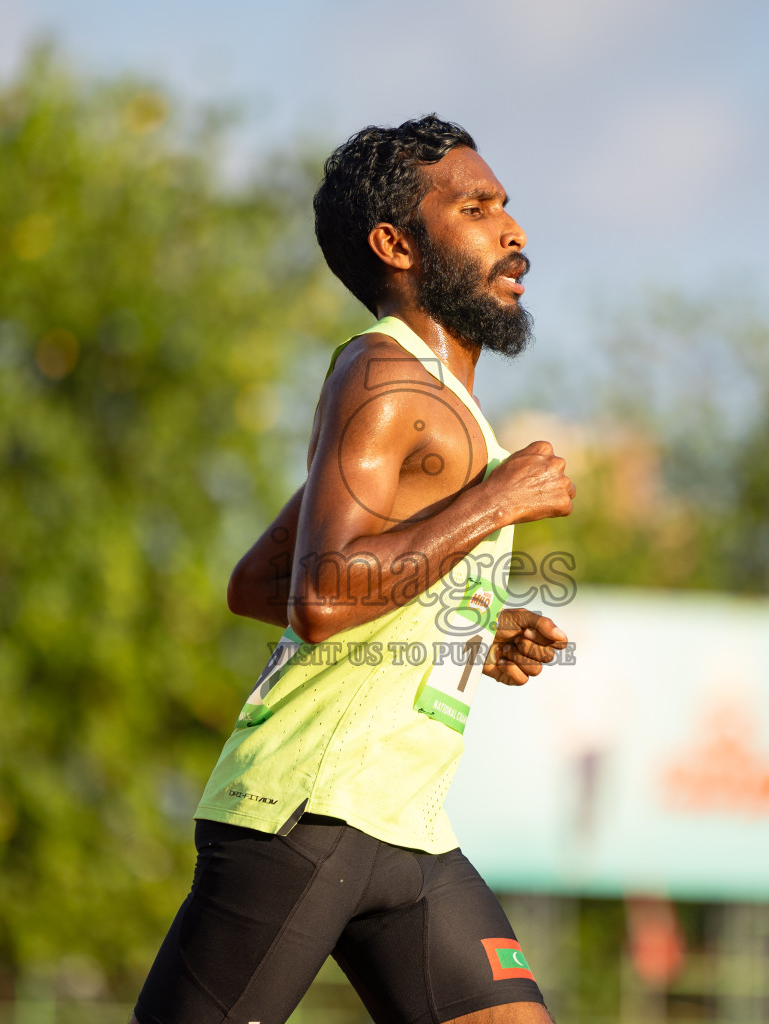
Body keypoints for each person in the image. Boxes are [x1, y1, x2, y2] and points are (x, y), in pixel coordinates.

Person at [131, 115, 575, 1024]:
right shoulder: (384, 377)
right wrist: (499, 501)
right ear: (395, 245)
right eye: (476, 208)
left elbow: (259, 583)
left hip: (407, 823)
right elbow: (322, 594)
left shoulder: (442, 405)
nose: (512, 229)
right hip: (309, 806)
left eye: (505, 206)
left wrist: (465, 623)